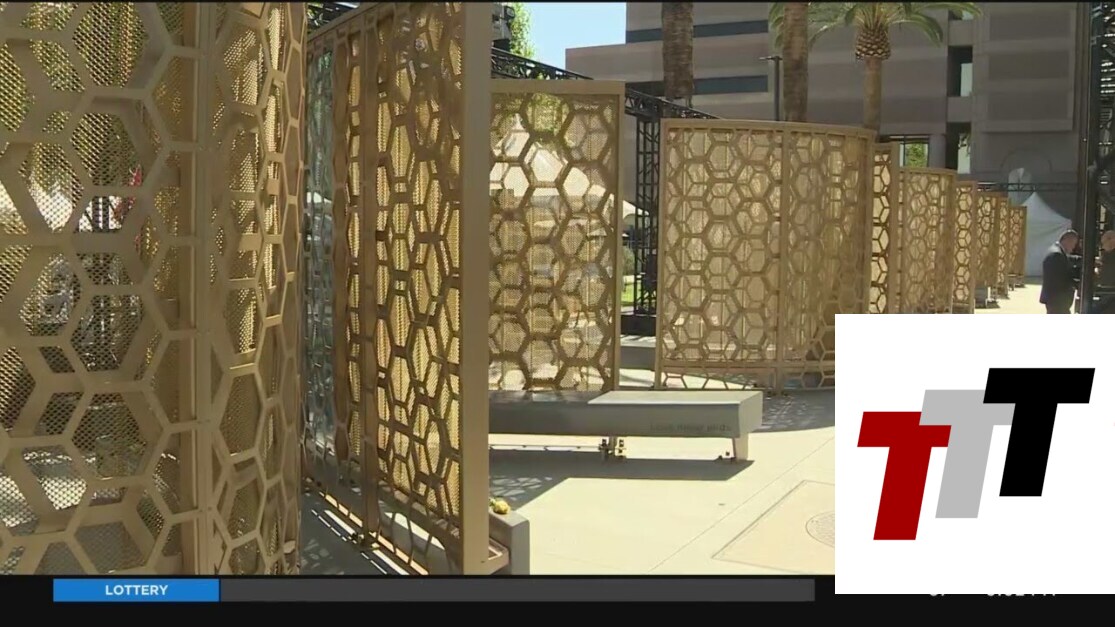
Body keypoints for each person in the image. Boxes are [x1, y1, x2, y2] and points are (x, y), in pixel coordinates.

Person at [1039, 230, 1080, 314]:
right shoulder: (1057, 255)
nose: (1073, 247)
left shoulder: (1058, 251)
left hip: (1055, 299)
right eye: (1073, 244)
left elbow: (1068, 258)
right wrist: (1076, 284)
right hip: (1057, 299)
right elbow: (1060, 279)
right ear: (1067, 240)